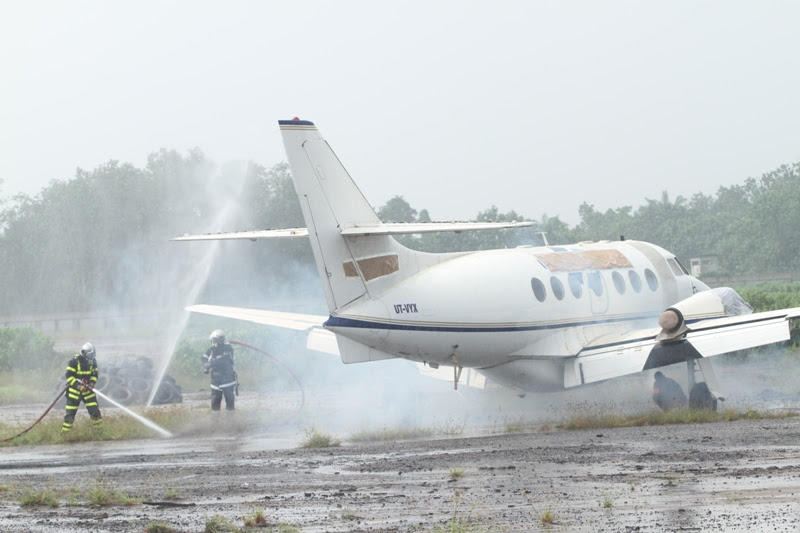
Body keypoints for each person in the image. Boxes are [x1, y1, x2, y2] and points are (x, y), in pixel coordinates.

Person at [62, 342, 103, 432]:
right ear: (84, 353)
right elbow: (69, 376)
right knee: (70, 415)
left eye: (93, 355)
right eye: (90, 355)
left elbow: (94, 374)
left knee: (95, 412)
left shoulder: (93, 361)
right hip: (74, 393)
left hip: (88, 392)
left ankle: (100, 433)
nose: (91, 357)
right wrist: (78, 386)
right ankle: (65, 435)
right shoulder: (74, 361)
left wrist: (92, 382)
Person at [202, 329, 237, 412]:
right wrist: (205, 363)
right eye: (212, 340)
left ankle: (231, 419)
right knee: (215, 400)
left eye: (215, 340)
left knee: (229, 398)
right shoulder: (212, 349)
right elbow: (204, 357)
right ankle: (215, 420)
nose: (213, 342)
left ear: (220, 339)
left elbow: (224, 360)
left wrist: (211, 364)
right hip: (216, 380)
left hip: (227, 378)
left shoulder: (228, 349)